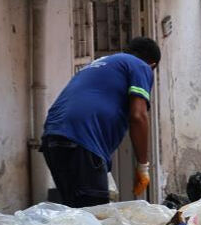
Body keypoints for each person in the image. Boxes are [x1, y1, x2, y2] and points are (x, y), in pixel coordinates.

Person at [40, 37, 160, 207]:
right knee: (96, 215)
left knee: (76, 212)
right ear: (152, 65)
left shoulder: (98, 65)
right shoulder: (140, 66)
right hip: (82, 139)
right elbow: (138, 116)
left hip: (53, 138)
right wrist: (143, 167)